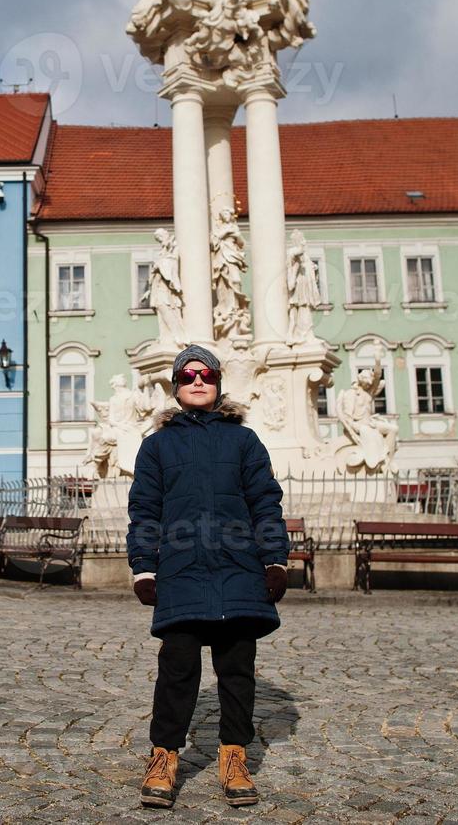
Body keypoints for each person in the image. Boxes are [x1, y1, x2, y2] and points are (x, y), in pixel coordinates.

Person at [127, 344, 289, 809]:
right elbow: (144, 511)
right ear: (176, 386)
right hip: (181, 571)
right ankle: (164, 757)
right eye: (189, 375)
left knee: (237, 669)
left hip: (239, 571)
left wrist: (275, 561)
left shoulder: (245, 441)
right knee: (177, 669)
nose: (198, 381)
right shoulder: (157, 446)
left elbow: (265, 503)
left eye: (207, 375)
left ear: (218, 385)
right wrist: (144, 566)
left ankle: (234, 757)